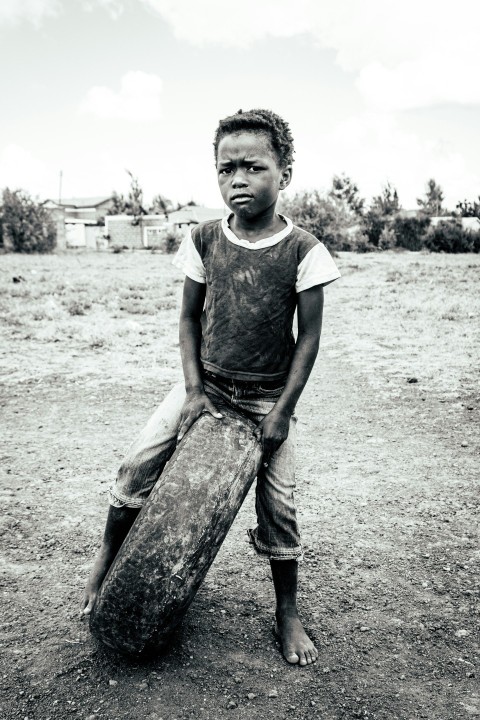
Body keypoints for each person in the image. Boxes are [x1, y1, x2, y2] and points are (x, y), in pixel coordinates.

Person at [83, 108, 340, 666]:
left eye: (253, 166)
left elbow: (309, 339)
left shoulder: (305, 251)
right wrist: (194, 392)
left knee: (281, 507)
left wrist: (282, 413)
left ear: (285, 172)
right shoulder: (203, 238)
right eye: (226, 169)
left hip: (268, 398)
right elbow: (188, 320)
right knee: (136, 467)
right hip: (208, 386)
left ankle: (287, 613)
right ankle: (105, 563)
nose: (237, 180)